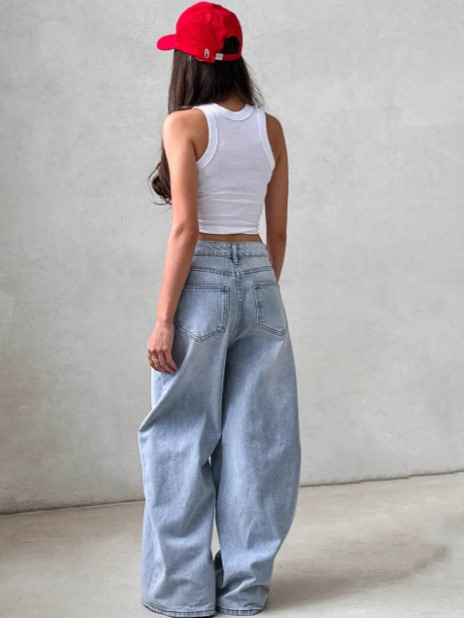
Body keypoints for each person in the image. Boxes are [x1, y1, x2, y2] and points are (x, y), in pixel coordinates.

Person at [137, 3, 301, 616]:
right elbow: (276, 232)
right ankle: (243, 592)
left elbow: (185, 227)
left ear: (189, 61)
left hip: (200, 280)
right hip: (261, 279)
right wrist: (257, 291)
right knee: (260, 442)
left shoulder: (182, 123)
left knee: (179, 438)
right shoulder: (270, 128)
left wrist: (164, 319)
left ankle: (182, 596)